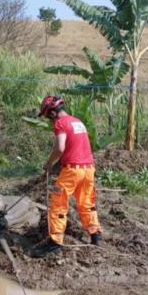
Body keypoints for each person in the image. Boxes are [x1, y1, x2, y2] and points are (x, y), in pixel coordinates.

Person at [31, 95, 102, 258]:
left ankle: (55, 242)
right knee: (86, 203)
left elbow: (60, 148)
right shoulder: (78, 122)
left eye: (47, 116)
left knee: (58, 204)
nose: (49, 120)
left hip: (72, 171)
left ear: (51, 113)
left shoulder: (60, 123)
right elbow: (75, 147)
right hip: (89, 169)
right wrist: (58, 165)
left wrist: (49, 163)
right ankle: (95, 236)